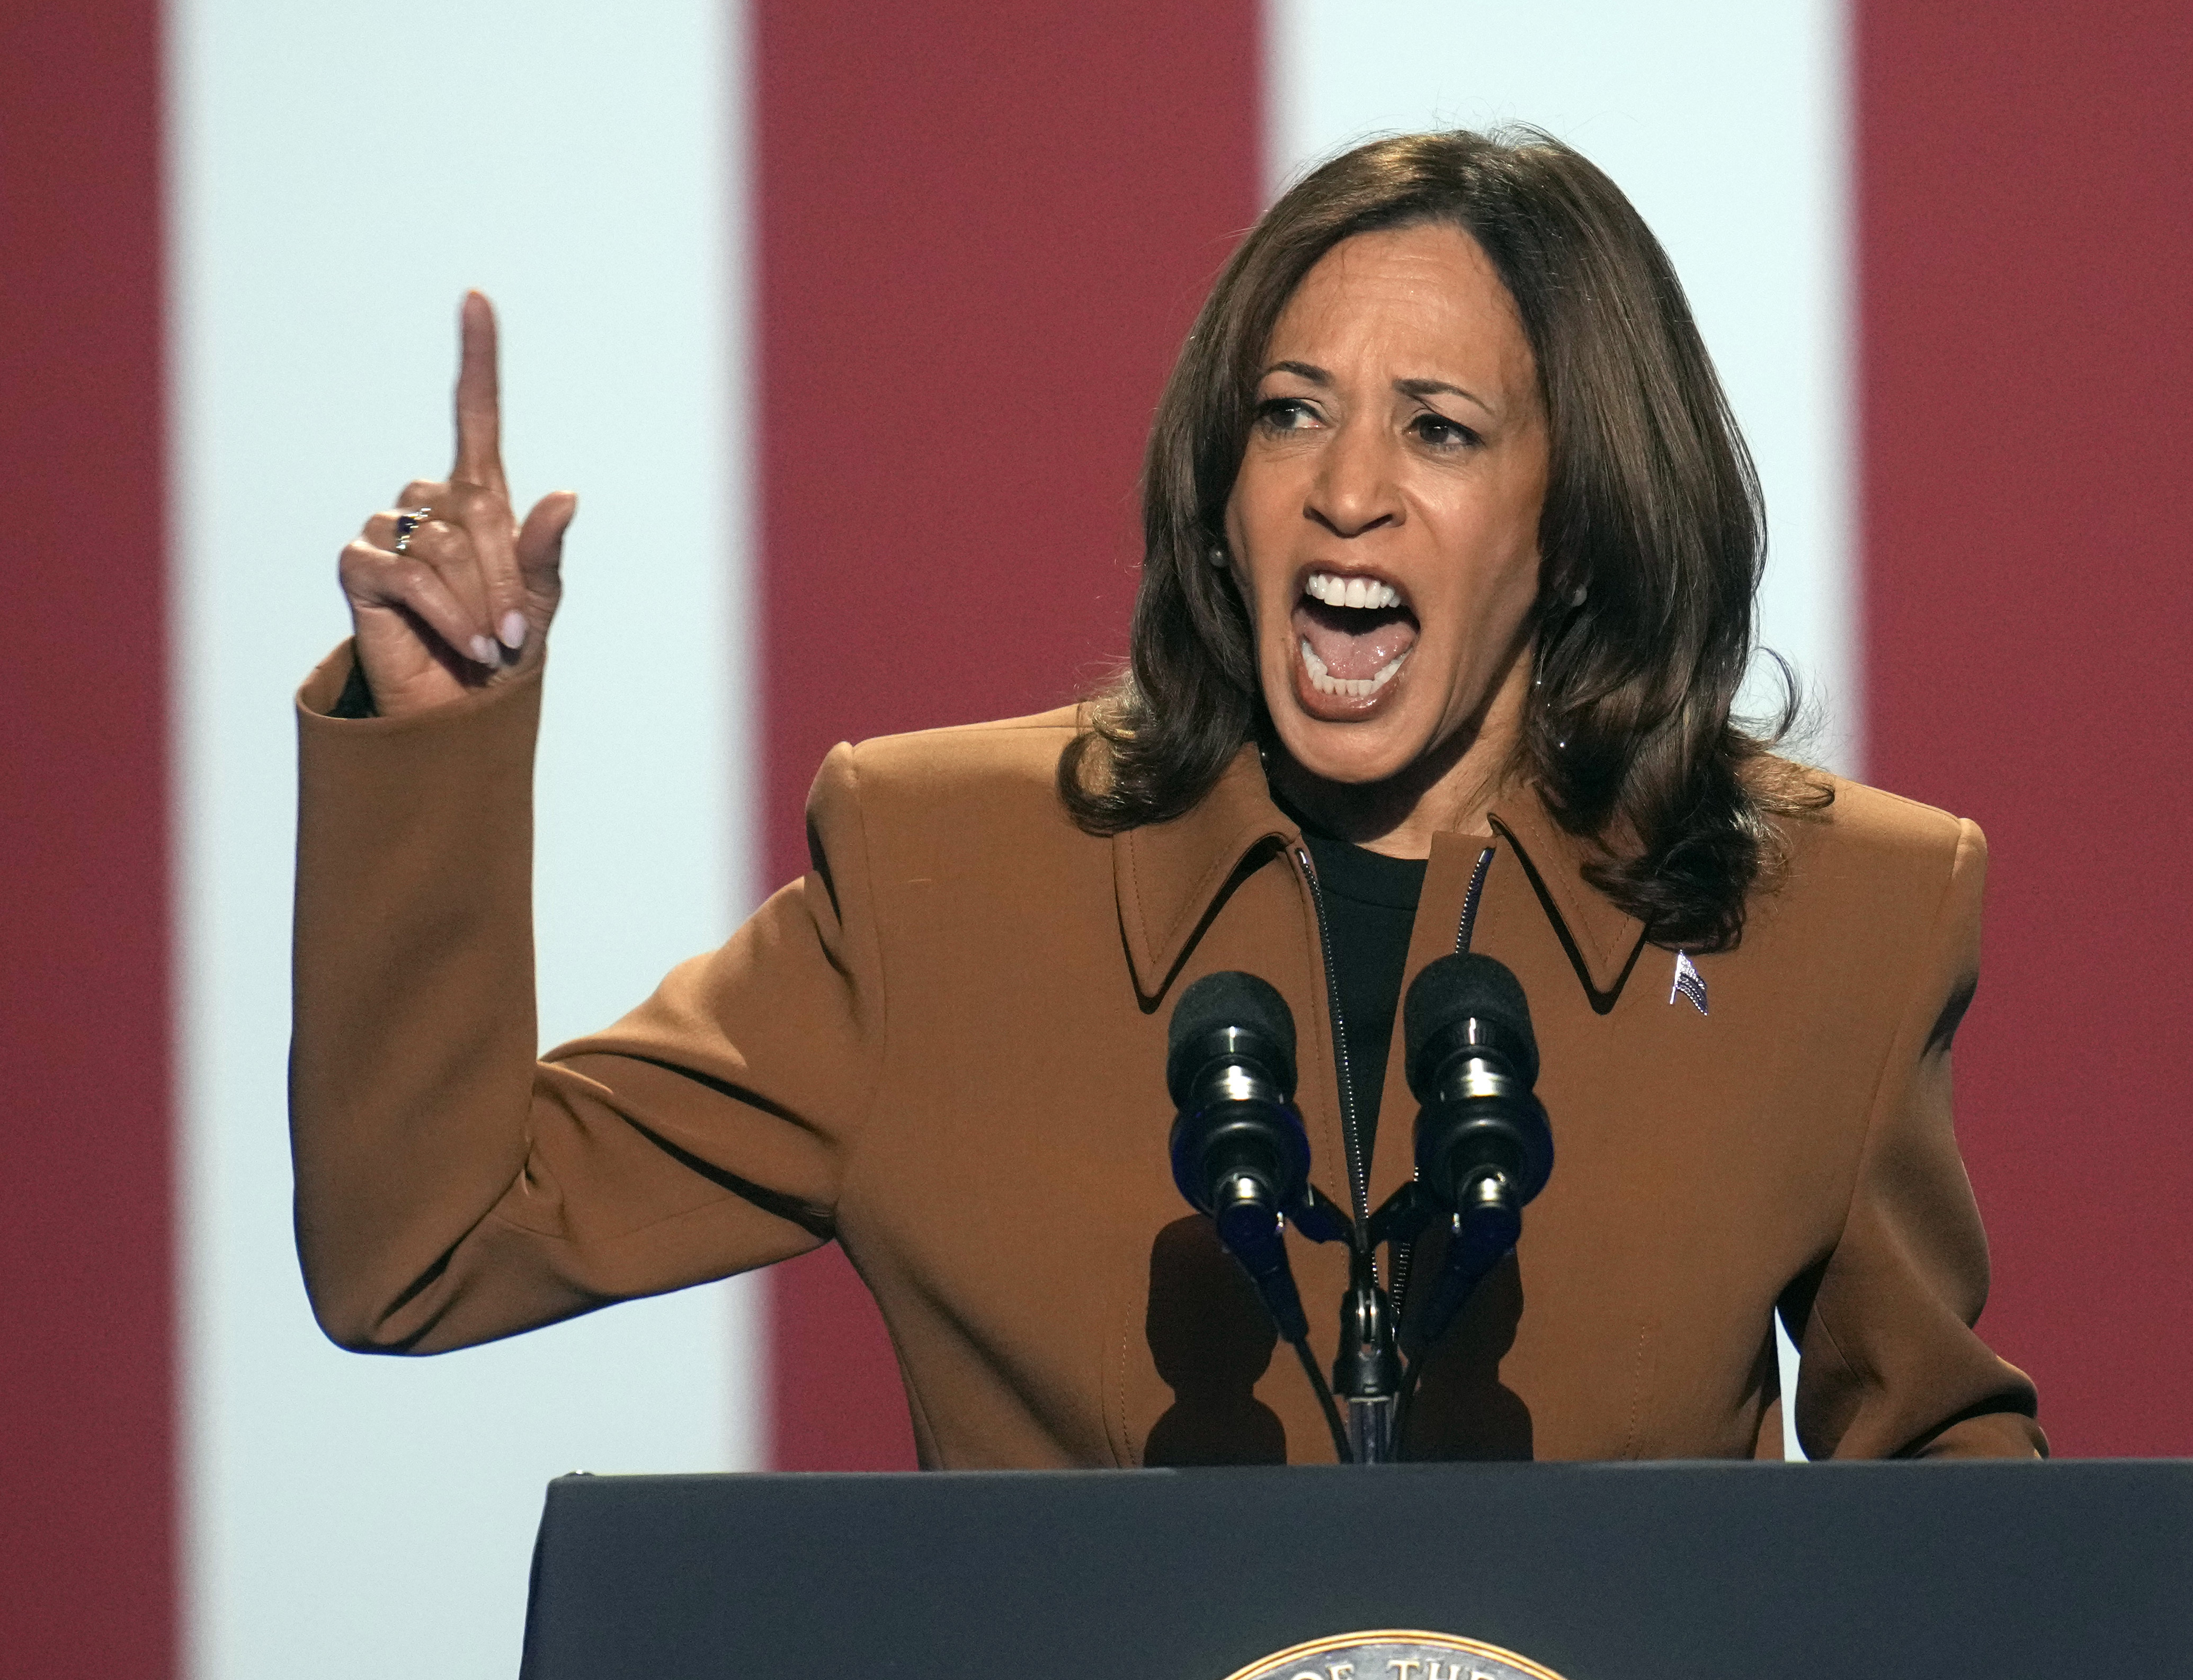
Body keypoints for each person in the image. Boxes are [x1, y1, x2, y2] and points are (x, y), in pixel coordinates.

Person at [296, 129, 2044, 1465]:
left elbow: (1950, 1491)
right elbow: (426, 1247)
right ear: (1221, 494)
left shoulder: (1825, 921)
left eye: (1436, 428)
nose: (1347, 490)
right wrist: (432, 737)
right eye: (1291, 416)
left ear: (1576, 524)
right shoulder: (945, 885)